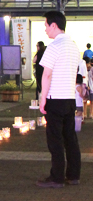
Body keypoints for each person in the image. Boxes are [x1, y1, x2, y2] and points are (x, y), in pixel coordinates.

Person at [37, 11, 81, 188]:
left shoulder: (54, 47)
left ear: (54, 25)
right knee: (70, 139)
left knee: (55, 140)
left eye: (46, 25)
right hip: (69, 99)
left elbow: (46, 75)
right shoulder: (73, 46)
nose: (45, 30)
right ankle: (73, 175)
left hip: (55, 98)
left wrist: (42, 99)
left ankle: (56, 178)